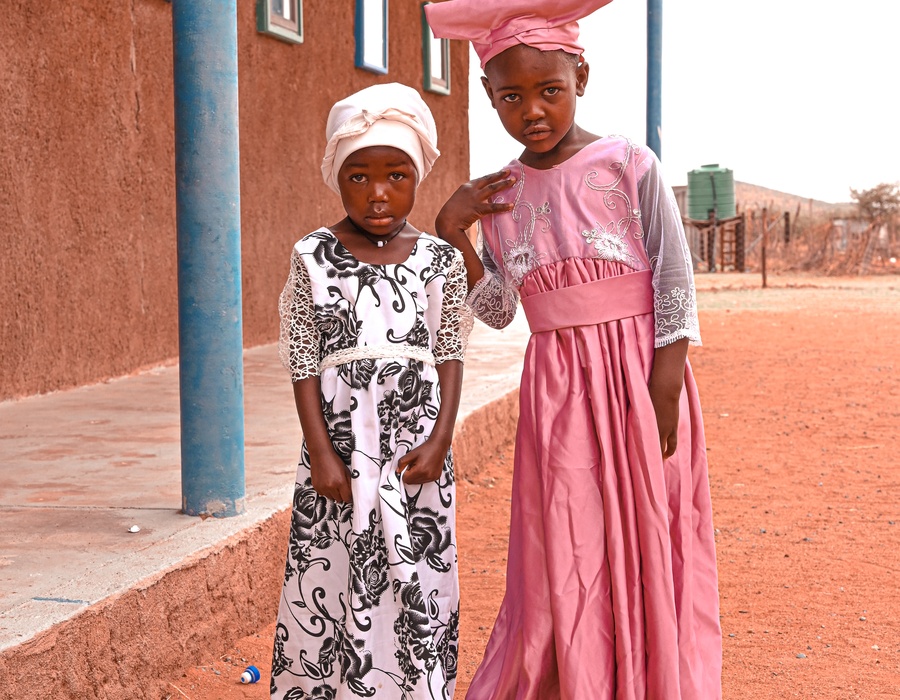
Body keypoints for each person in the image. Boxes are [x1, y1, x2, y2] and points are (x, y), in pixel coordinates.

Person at [424, 1, 722, 698]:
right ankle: (580, 673)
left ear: (580, 75)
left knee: (648, 528)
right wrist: (453, 229)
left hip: (639, 380)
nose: (532, 110)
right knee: (570, 534)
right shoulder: (501, 194)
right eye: (511, 97)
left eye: (548, 90)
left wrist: (666, 388)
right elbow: (499, 310)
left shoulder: (628, 164)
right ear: (491, 99)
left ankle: (646, 678)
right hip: (558, 394)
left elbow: (674, 277)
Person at [271, 82, 473, 700]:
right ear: (337, 176)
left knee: (417, 573)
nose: (378, 193)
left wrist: (442, 439)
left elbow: (449, 351)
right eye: (359, 176)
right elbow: (303, 361)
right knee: (332, 570)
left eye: (396, 174)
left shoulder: (437, 258)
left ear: (418, 177)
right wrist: (322, 453)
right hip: (338, 448)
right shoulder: (313, 256)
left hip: (415, 450)